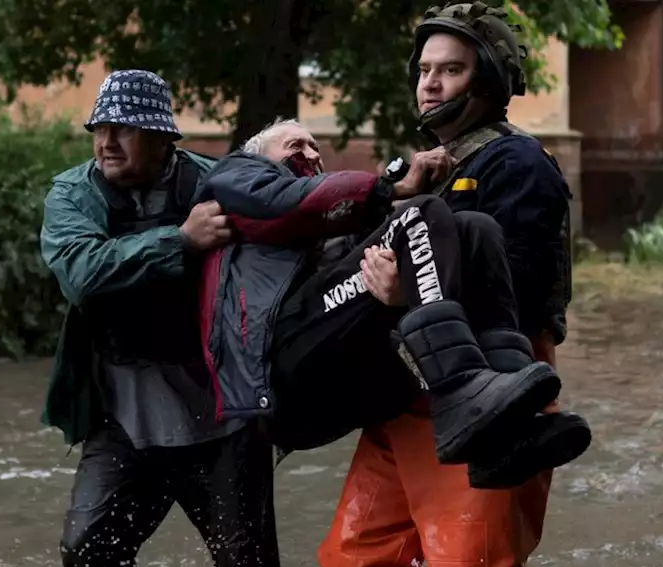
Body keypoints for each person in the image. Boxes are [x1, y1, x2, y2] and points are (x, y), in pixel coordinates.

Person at [316, 3, 589, 567]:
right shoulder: (418, 172)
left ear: (490, 79)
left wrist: (412, 296)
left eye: (452, 69)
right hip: (404, 394)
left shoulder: (519, 164)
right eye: (426, 70)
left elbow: (518, 293)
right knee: (358, 563)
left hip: (491, 394)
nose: (431, 83)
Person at [38, 69, 289, 567]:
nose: (107, 141)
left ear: (163, 141)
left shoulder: (215, 184)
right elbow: (82, 274)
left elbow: (296, 224)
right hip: (123, 414)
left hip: (222, 414)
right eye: (100, 128)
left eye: (124, 129)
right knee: (86, 549)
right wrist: (178, 243)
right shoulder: (73, 194)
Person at [192, 119, 591, 490]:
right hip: (279, 373)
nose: (312, 154)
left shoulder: (335, 225)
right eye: (296, 145)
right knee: (423, 213)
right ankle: (458, 393)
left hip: (339, 370)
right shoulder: (236, 176)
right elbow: (282, 200)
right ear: (257, 156)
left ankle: (509, 430)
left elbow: (363, 263)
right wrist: (391, 189)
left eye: (316, 147)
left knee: (474, 226)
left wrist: (399, 288)